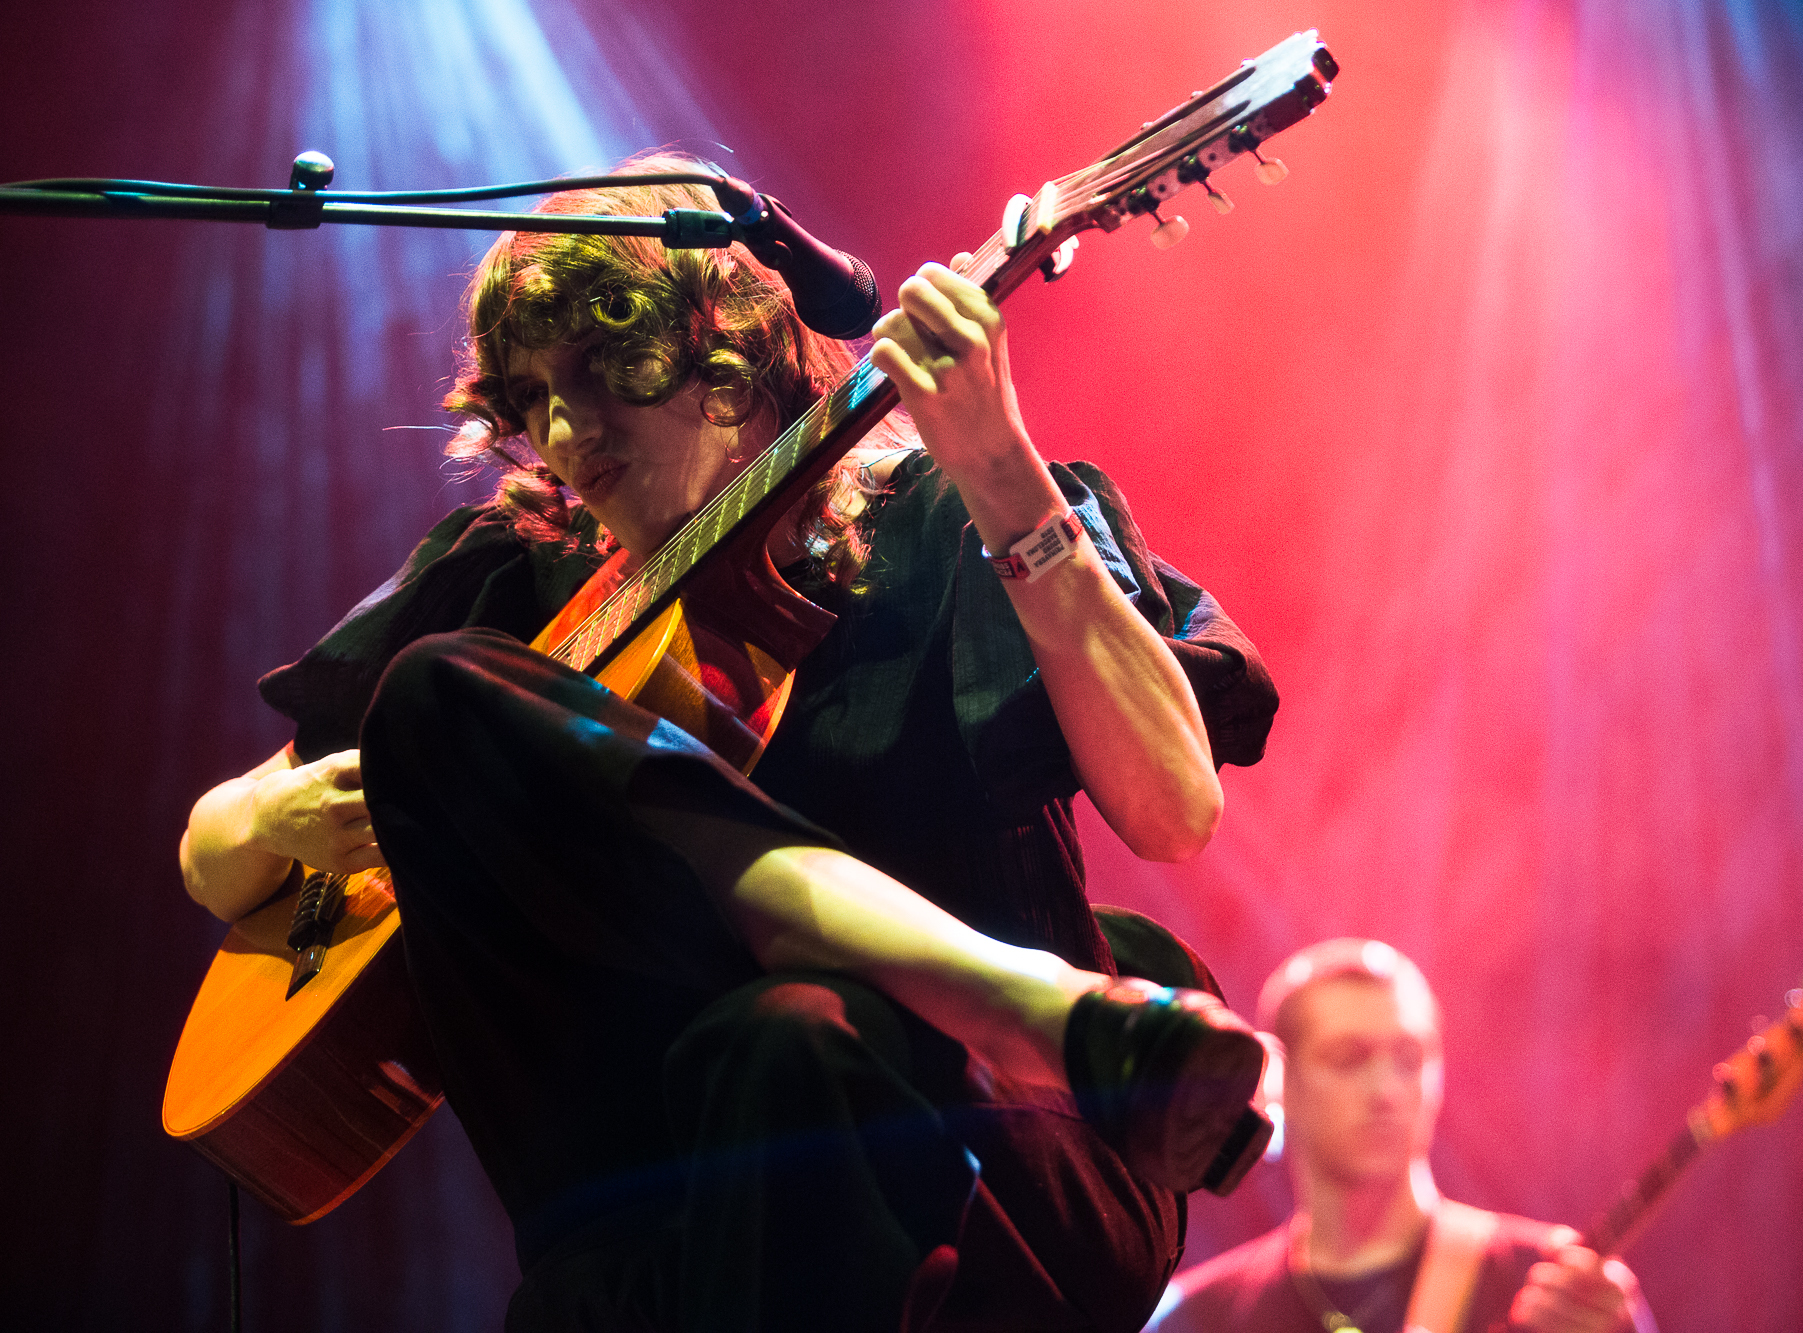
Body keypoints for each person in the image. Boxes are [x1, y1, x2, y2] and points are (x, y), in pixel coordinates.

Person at [177, 151, 1280, 1332]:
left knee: (790, 1047)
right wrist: (277, 816)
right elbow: (214, 852)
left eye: (602, 374)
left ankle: (1032, 1007)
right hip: (671, 1212)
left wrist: (1004, 476)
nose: (566, 435)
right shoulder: (513, 582)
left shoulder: (949, 516)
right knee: (436, 694)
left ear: (728, 353)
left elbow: (1173, 811)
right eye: (531, 400)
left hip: (992, 1145)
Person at [1151, 940, 1654, 1333]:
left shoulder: (1551, 1284)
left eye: (1409, 1060)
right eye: (1348, 1058)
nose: (1387, 1090)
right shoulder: (1196, 1318)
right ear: (1279, 1083)